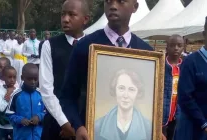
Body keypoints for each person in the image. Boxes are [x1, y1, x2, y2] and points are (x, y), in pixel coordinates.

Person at [59, 0, 153, 139]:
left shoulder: (147, 54)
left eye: (120, 1)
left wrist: (155, 128)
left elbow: (152, 100)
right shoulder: (85, 47)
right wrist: (78, 126)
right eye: (108, 1)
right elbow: (67, 96)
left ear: (135, 7)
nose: (113, 6)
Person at [39, 0, 89, 139]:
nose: (65, 19)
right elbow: (46, 89)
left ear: (85, 19)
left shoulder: (93, 46)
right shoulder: (49, 45)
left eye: (72, 15)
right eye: (63, 14)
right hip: (57, 122)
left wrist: (79, 125)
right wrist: (65, 123)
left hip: (86, 123)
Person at [174, 17, 207, 140]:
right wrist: (203, 123)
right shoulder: (190, 61)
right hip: (192, 128)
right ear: (204, 34)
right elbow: (185, 97)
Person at [95, 69, 151, 140]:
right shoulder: (98, 126)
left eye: (131, 89)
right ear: (115, 90)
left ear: (138, 93)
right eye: (121, 88)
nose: (125, 95)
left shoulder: (149, 128)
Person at [8, 63, 46, 140]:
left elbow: (48, 112)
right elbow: (9, 114)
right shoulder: (16, 95)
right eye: (29, 79)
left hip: (39, 136)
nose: (33, 82)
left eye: (35, 79)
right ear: (22, 78)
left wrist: (39, 117)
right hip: (21, 136)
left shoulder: (42, 95)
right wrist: (20, 120)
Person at [162, 35, 184, 140]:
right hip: (162, 114)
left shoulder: (186, 67)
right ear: (167, 48)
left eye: (179, 45)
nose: (176, 48)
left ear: (183, 48)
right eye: (172, 45)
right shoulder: (160, 65)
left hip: (178, 115)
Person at [0, 66, 18, 140]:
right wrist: (8, 94)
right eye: (9, 77)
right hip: (2, 124)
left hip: (14, 124)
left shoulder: (18, 91)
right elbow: (0, 108)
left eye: (14, 77)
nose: (12, 80)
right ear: (4, 77)